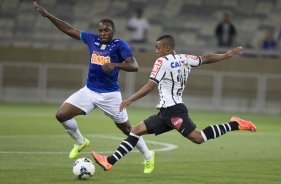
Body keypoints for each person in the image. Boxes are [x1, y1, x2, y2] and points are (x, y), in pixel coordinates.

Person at [92, 35, 257, 172]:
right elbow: (205, 58)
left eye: (158, 48)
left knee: (198, 138)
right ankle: (110, 161)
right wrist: (226, 55)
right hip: (166, 111)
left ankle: (235, 124)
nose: (156, 51)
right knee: (136, 131)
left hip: (173, 111)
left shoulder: (161, 62)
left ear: (168, 49)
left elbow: (150, 85)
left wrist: (129, 100)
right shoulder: (185, 58)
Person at [33, 2, 155, 174]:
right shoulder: (92, 39)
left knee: (128, 129)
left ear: (113, 31)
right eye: (101, 30)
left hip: (110, 96)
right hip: (89, 91)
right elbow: (69, 30)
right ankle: (80, 141)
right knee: (61, 115)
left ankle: (148, 156)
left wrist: (115, 64)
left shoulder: (120, 45)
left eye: (106, 30)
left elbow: (134, 66)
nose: (103, 33)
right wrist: (48, 15)